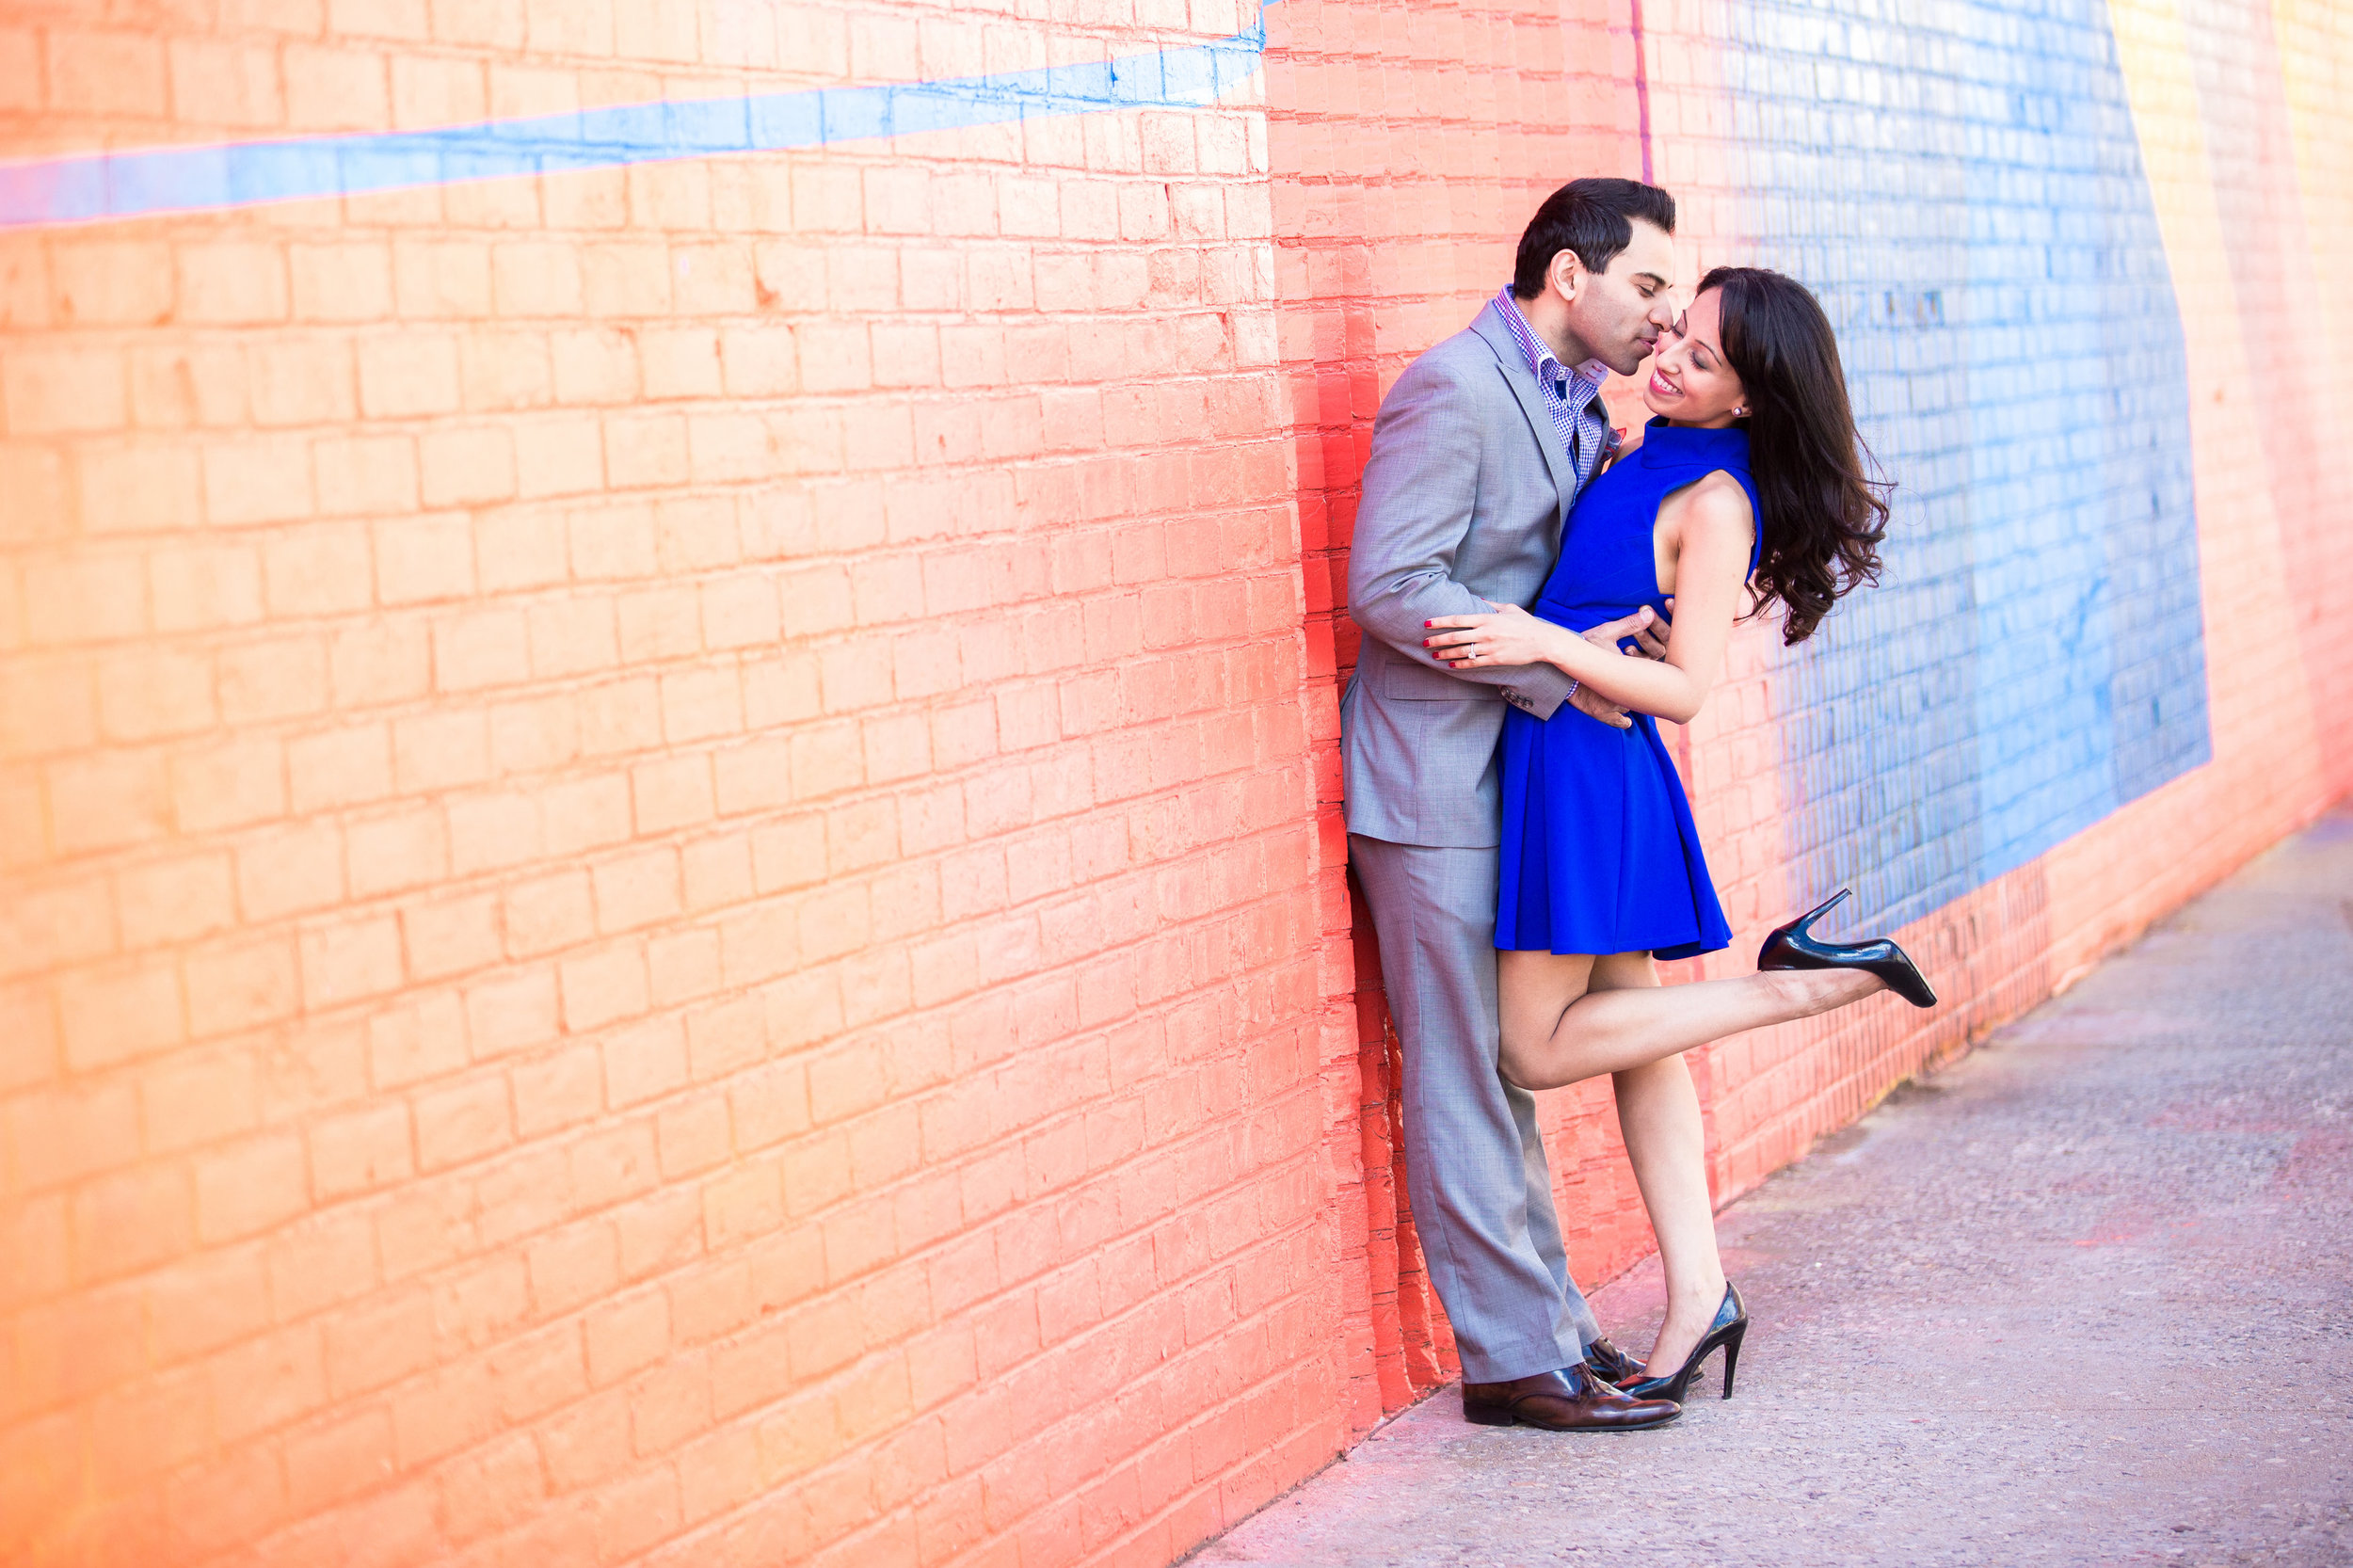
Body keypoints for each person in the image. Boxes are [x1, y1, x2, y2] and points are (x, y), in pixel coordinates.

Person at [1421, 264, 1936, 1405]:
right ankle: (1700, 1294)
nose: (1667, 359)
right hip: (1574, 753)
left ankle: (1800, 987)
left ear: (1749, 400)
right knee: (1640, 1043)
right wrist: (1586, 642)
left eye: (1700, 360)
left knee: (1533, 1047)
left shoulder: (1715, 500)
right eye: (1678, 334)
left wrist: (1537, 642)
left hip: (1594, 779)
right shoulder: (1637, 446)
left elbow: (1690, 687)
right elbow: (1611, 618)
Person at [1342, 178, 1690, 1432]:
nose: (1664, 315)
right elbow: (1391, 582)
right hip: (1433, 783)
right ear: (1567, 277)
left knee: (1512, 1073)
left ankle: (1552, 1326)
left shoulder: (1577, 402)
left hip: (1517, 775)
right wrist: (1557, 667)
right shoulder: (1454, 386)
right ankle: (1509, 1360)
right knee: (1468, 1076)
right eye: (1647, 286)